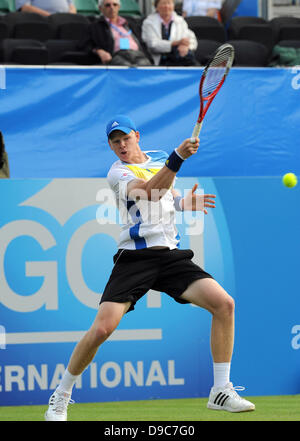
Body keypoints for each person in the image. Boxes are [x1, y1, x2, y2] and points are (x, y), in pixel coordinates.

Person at [44, 115, 255, 421]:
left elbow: (164, 197)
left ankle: (221, 390)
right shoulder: (118, 173)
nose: (121, 145)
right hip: (135, 258)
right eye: (114, 141)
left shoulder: (157, 159)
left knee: (224, 304)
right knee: (103, 328)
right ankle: (61, 396)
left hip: (170, 256)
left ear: (137, 136)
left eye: (125, 138)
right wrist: (178, 157)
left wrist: (183, 203)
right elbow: (146, 192)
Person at [78, 0, 152, 66]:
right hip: (117, 56)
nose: (112, 7)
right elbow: (84, 45)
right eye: (108, 5)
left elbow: (142, 43)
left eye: (115, 5)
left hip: (138, 55)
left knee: (146, 68)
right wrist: (99, 51)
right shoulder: (95, 26)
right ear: (100, 8)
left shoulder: (131, 23)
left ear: (119, 7)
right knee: (126, 70)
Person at [142, 0, 198, 66]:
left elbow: (192, 39)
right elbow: (153, 45)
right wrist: (175, 43)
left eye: (169, 3)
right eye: (163, 3)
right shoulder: (149, 22)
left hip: (180, 58)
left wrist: (186, 47)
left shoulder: (180, 20)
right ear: (156, 7)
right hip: (159, 61)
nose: (166, 6)